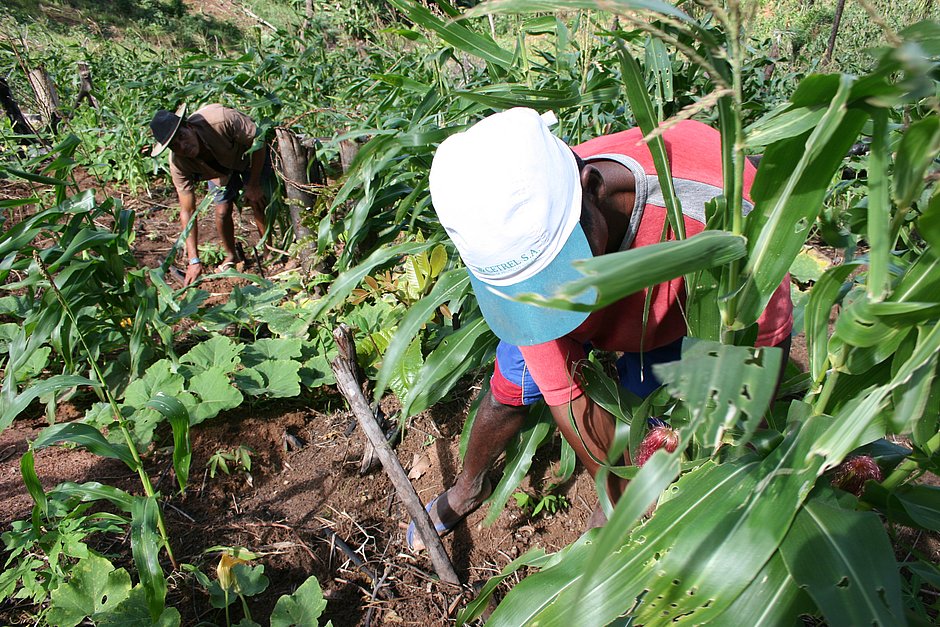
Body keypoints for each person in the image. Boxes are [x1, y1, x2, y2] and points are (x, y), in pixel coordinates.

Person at [406, 108, 792, 550]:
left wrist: (742, 462)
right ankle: (469, 485)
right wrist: (610, 489)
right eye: (535, 284)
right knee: (508, 392)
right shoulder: (516, 235)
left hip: (667, 324)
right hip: (565, 304)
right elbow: (567, 400)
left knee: (647, 416)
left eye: (561, 269)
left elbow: (759, 349)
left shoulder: (715, 214)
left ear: (592, 187)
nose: (556, 299)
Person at [149, 103, 271, 286]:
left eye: (182, 136)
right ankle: (231, 256)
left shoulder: (220, 119)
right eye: (175, 146)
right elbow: (187, 211)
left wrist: (253, 184)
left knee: (257, 200)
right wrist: (194, 261)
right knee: (222, 211)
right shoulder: (179, 163)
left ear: (189, 126)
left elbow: (258, 140)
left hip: (248, 155)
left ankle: (269, 251)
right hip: (218, 171)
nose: (183, 146)